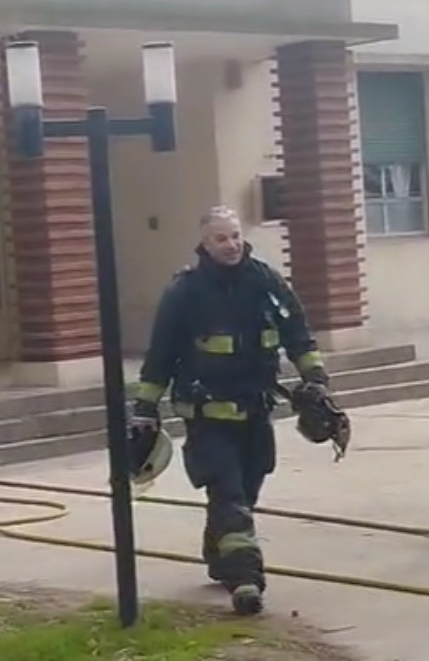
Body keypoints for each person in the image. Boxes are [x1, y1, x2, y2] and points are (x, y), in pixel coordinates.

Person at [131, 206, 331, 616]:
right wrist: (144, 407)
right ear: (205, 244)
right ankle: (245, 580)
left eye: (236, 236)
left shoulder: (266, 282)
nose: (231, 244)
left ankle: (219, 552)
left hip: (256, 413)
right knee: (230, 493)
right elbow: (160, 356)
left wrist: (317, 381)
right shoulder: (185, 292)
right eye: (221, 238)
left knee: (245, 493)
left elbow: (298, 335)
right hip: (208, 418)